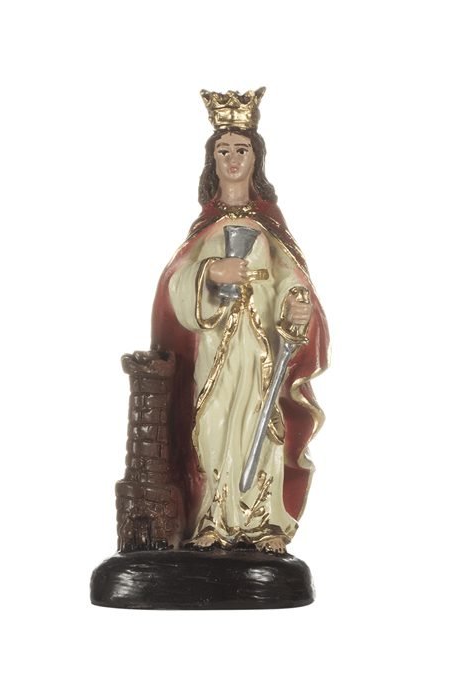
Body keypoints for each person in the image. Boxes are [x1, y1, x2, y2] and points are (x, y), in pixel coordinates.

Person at [151, 89, 329, 554]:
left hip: (260, 351)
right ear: (212, 161)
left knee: (261, 425)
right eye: (223, 151)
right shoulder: (205, 229)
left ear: (256, 158)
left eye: (242, 150)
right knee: (211, 427)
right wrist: (212, 273)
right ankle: (213, 518)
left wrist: (296, 304)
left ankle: (264, 521)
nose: (232, 159)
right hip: (215, 352)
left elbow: (293, 281)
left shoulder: (270, 227)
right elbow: (175, 285)